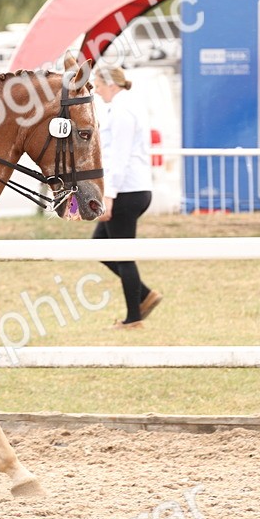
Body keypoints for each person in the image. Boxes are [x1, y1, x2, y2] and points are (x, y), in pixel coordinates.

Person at [91, 65, 162, 329]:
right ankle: (144, 296)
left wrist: (108, 196)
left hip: (125, 191)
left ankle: (134, 318)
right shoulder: (126, 106)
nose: (96, 90)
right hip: (131, 189)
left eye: (98, 85)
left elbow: (119, 158)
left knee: (122, 254)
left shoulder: (122, 111)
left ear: (111, 84)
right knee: (101, 246)